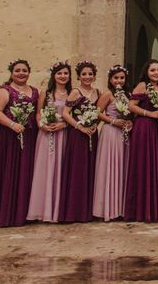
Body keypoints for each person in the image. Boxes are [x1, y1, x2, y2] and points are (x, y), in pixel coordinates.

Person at [0, 59, 39, 227]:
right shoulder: (4, 90)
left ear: (29, 72)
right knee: (8, 171)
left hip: (28, 136)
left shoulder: (35, 91)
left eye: (24, 70)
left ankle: (22, 214)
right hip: (8, 137)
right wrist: (12, 124)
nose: (21, 73)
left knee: (25, 172)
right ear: (11, 73)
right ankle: (5, 215)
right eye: (17, 70)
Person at [26, 61, 71, 223]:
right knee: (45, 168)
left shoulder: (72, 93)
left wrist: (63, 124)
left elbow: (74, 116)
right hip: (46, 135)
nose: (63, 76)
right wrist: (42, 125)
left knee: (61, 168)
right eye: (59, 73)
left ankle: (59, 209)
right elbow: (38, 113)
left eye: (66, 73)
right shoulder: (46, 93)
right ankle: (42, 210)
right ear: (54, 75)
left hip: (64, 134)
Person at [59, 60, 100, 223]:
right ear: (78, 76)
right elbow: (65, 113)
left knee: (91, 169)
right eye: (84, 74)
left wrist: (95, 124)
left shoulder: (98, 92)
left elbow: (99, 112)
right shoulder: (75, 92)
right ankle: (74, 211)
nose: (87, 77)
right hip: (77, 135)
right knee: (78, 170)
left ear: (95, 76)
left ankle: (88, 210)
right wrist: (79, 127)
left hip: (92, 134)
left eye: (90, 74)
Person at [125, 59, 158, 222]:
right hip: (143, 126)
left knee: (153, 165)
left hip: (155, 129)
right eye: (152, 70)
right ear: (146, 72)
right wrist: (149, 114)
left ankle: (152, 209)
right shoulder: (142, 85)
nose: (156, 73)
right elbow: (131, 105)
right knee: (142, 165)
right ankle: (139, 210)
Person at [93, 65, 132, 221]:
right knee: (110, 167)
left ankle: (121, 208)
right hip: (110, 132)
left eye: (122, 78)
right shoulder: (108, 94)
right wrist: (114, 120)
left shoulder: (128, 94)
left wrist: (130, 122)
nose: (119, 81)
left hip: (124, 134)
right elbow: (97, 113)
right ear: (110, 79)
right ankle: (107, 209)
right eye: (116, 78)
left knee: (122, 167)